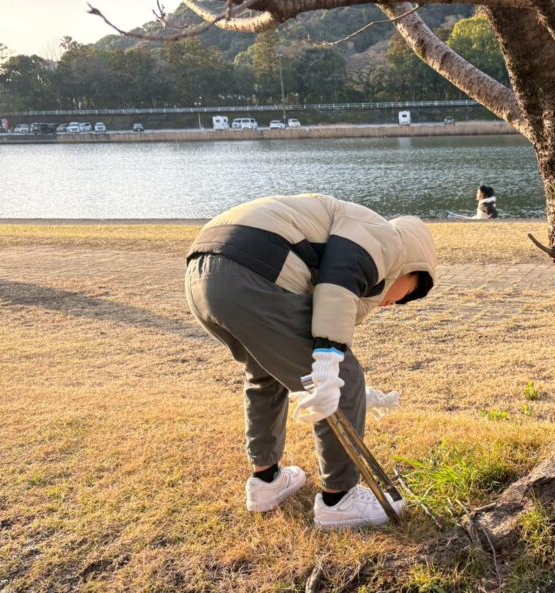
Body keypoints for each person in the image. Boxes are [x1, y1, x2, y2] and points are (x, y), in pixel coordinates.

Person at [184, 194, 436, 529]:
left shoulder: (355, 231)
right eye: (410, 293)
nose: (396, 303)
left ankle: (266, 481)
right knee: (344, 373)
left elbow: (312, 331)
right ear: (412, 266)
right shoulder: (387, 238)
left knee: (264, 372)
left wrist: (348, 389)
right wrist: (333, 370)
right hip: (252, 269)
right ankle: (339, 500)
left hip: (203, 270)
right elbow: (339, 278)